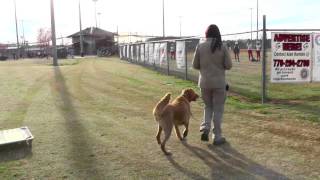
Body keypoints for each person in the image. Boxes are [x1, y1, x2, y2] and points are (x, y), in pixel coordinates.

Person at [192, 24, 232, 145]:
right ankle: (217, 136)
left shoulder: (200, 46)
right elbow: (228, 65)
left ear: (206, 34)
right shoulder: (222, 47)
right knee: (218, 110)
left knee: (208, 107)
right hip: (219, 83)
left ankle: (205, 128)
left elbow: (195, 65)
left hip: (204, 83)